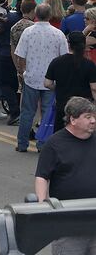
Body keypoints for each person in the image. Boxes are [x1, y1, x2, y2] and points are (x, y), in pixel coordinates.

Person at [34, 96, 96, 254]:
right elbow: (42, 176)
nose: (93, 120)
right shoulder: (55, 144)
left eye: (94, 116)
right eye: (88, 117)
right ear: (73, 120)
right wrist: (42, 204)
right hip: (68, 222)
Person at [15, 3, 69, 152]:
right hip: (51, 80)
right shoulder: (58, 34)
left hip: (31, 77)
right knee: (47, 113)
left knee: (27, 112)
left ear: (36, 14)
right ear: (50, 15)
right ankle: (43, 144)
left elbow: (20, 55)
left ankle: (22, 143)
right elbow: (64, 57)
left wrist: (22, 71)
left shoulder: (28, 32)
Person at [44, 32, 96, 132]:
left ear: (68, 44)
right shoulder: (89, 65)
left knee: (61, 136)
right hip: (83, 107)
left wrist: (59, 87)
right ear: (83, 45)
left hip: (63, 106)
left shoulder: (56, 62)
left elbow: (47, 83)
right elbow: (94, 88)